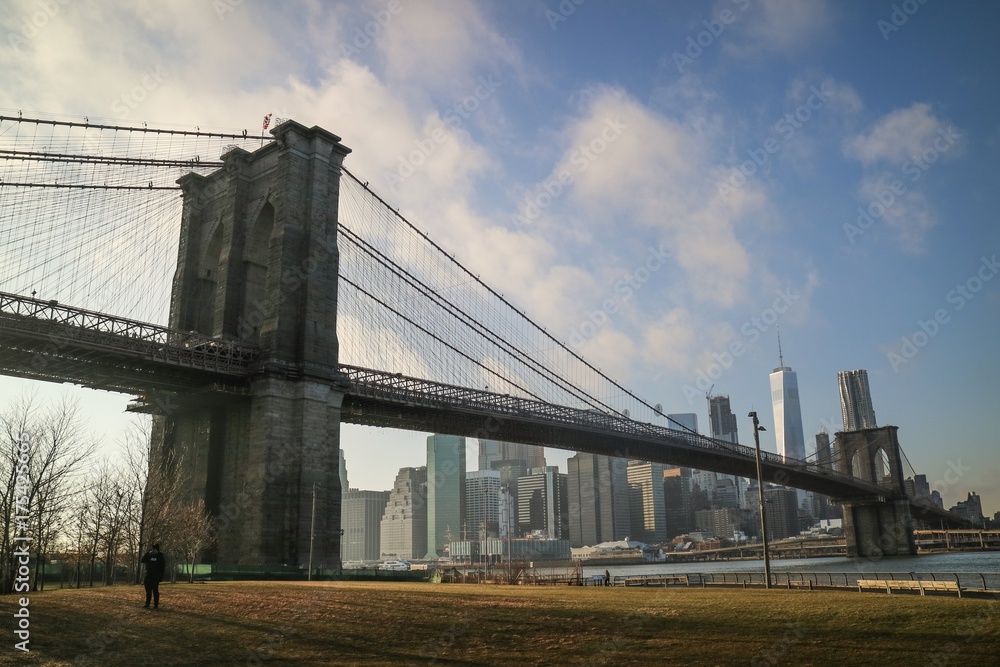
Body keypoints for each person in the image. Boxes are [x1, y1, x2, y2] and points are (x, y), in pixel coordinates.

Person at [141, 543, 166, 609]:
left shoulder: (160, 557)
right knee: (148, 591)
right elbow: (143, 560)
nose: (153, 550)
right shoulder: (149, 556)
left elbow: (162, 568)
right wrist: (148, 552)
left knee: (155, 591)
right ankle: (147, 603)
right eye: (152, 549)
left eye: (154, 549)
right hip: (148, 576)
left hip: (155, 577)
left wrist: (160, 577)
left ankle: (156, 604)